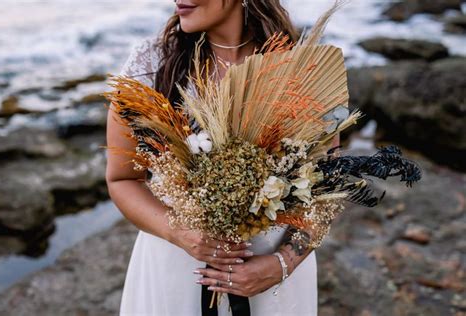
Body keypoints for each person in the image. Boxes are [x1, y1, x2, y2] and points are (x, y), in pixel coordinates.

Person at [106, 1, 340, 315]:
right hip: (177, 270)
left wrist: (282, 263)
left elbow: (328, 187)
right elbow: (121, 179)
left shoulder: (303, 69)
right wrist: (181, 233)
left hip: (270, 277)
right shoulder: (151, 65)